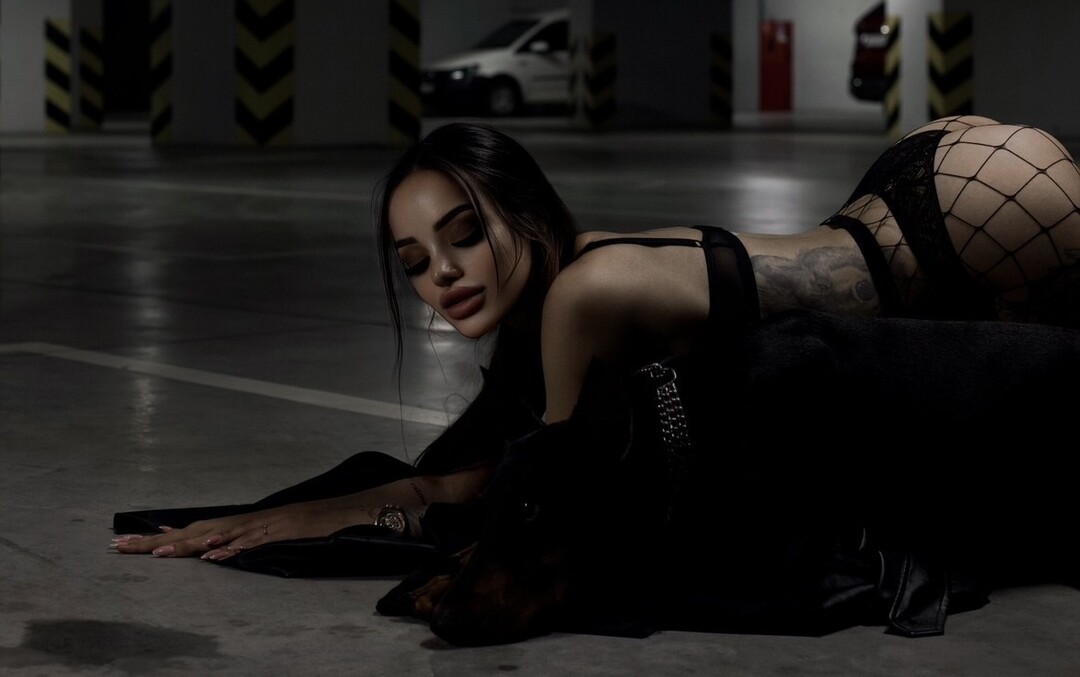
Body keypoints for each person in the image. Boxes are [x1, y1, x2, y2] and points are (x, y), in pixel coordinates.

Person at [112, 114, 1080, 561]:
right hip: (926, 188)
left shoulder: (581, 295)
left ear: (526, 209)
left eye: (465, 233)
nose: (444, 274)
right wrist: (327, 509)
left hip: (967, 218)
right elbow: (480, 469)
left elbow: (538, 496)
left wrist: (347, 518)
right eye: (414, 260)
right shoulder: (566, 283)